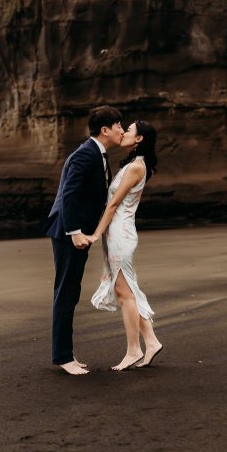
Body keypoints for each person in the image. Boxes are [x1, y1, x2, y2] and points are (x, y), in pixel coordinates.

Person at [45, 106, 124, 375]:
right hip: (68, 233)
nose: (121, 131)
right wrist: (75, 231)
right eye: (118, 126)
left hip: (76, 232)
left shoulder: (97, 155)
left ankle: (66, 354)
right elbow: (68, 194)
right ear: (105, 130)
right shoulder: (85, 154)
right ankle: (63, 357)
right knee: (66, 291)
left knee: (71, 291)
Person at [87, 120, 163, 371]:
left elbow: (113, 205)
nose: (124, 133)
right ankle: (150, 342)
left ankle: (134, 350)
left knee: (124, 294)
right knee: (128, 289)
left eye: (129, 130)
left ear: (139, 139)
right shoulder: (134, 164)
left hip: (119, 234)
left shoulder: (136, 167)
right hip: (118, 234)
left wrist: (95, 234)